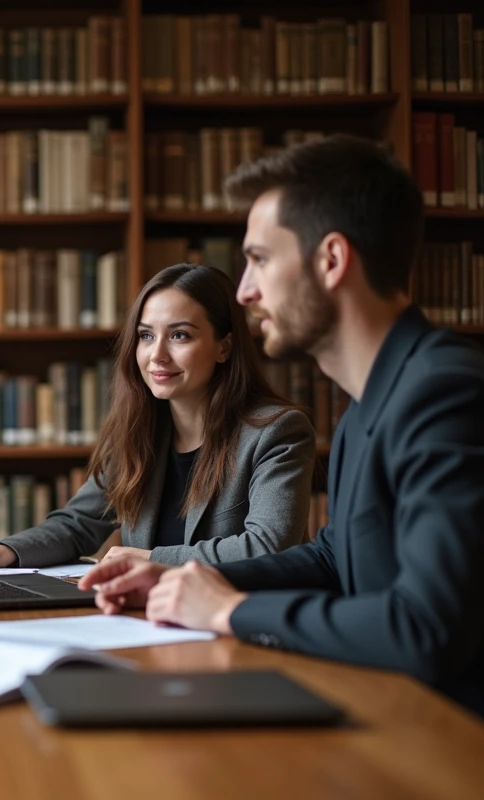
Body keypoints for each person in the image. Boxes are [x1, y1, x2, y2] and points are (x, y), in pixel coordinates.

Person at [82, 135, 484, 716]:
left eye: (261, 259)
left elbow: (426, 627)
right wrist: (182, 583)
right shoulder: (371, 403)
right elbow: (331, 559)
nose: (244, 290)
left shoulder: (443, 393)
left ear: (331, 260)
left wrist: (228, 612)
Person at [0, 263, 315, 572]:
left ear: (224, 347)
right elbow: (78, 525)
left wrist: (151, 559)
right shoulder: (138, 431)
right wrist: (2, 552)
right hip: (155, 623)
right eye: (145, 335)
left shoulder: (276, 431)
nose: (157, 356)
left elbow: (268, 547)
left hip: (242, 624)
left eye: (180, 336)